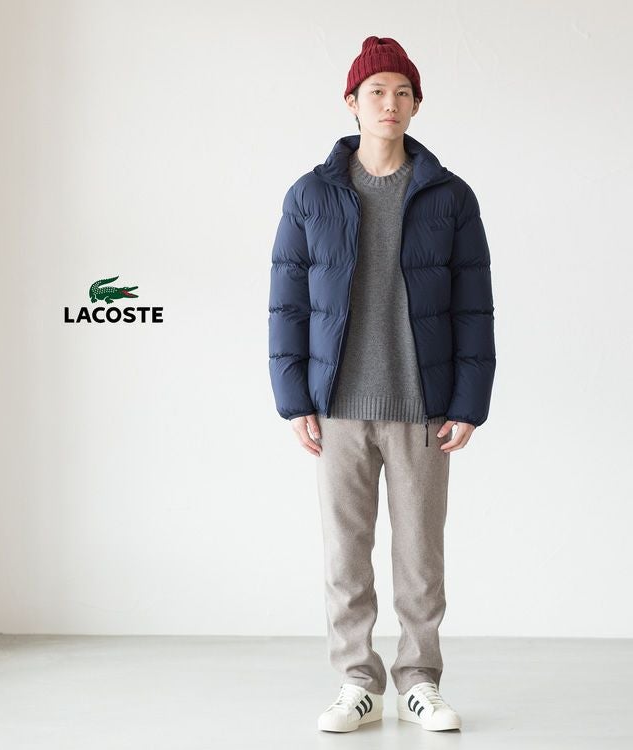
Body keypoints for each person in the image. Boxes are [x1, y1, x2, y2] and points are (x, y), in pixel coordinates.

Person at [267, 36, 496, 733]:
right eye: (376, 91)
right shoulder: (310, 195)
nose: (389, 103)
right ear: (352, 102)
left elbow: (474, 305)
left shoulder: (450, 196)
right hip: (337, 406)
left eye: (401, 92)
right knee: (345, 554)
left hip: (423, 407)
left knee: (420, 556)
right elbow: (287, 303)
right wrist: (293, 398)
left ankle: (420, 680)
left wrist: (468, 403)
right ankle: (357, 682)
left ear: (416, 104)